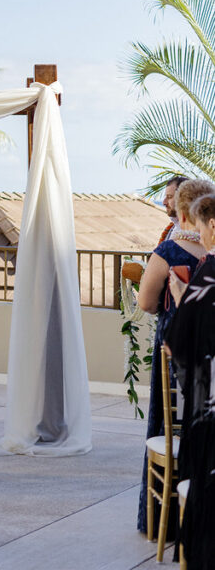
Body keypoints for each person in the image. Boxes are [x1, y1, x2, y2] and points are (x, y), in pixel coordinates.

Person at [135, 178, 212, 533]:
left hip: (175, 347)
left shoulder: (168, 252)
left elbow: (147, 303)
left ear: (182, 211)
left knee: (168, 422)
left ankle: (162, 519)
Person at [166, 192, 215, 570]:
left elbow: (180, 343)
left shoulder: (209, 272)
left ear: (211, 225)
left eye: (200, 228)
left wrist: (183, 298)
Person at [157, 175, 190, 244]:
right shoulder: (172, 228)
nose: (164, 202)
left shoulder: (197, 232)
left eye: (169, 197)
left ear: (184, 198)